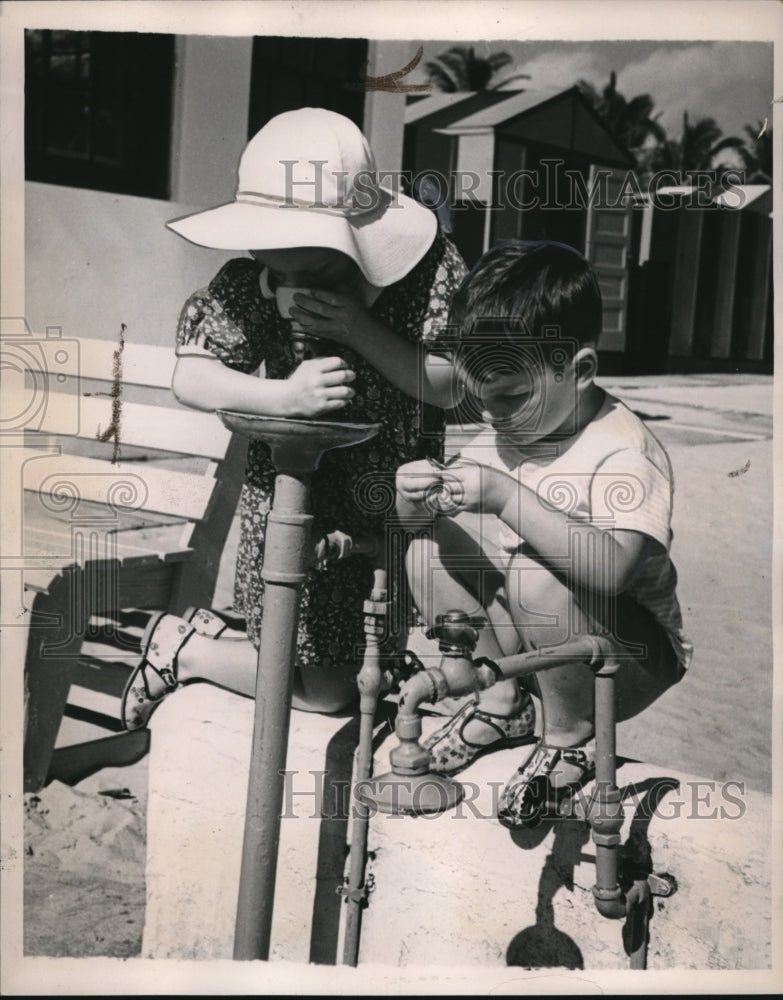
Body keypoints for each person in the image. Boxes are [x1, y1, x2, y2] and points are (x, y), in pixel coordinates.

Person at [120, 107, 467, 730]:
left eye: (314, 270)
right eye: (277, 269)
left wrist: (357, 329)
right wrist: (284, 397)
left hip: (392, 502)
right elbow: (190, 376)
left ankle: (191, 644)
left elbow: (450, 386)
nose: (288, 283)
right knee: (322, 680)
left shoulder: (427, 275)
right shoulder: (254, 281)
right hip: (293, 498)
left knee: (358, 669)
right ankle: (185, 649)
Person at [395, 240, 692, 828]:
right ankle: (500, 702)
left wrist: (505, 496)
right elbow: (431, 527)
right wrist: (413, 504)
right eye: (480, 398)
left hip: (625, 656)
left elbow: (611, 571)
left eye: (510, 396)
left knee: (535, 566)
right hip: (543, 644)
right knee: (428, 547)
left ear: (579, 370)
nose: (491, 415)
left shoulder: (623, 453)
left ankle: (570, 737)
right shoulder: (516, 426)